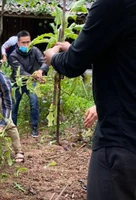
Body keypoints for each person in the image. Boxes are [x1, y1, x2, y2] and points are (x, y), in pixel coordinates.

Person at [44, 1, 136, 199]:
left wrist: (52, 57)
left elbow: (72, 64)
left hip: (120, 142)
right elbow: (124, 57)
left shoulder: (113, 5)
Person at [8, 30, 49, 137]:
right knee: (14, 105)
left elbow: (45, 62)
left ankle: (34, 128)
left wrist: (41, 71)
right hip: (17, 82)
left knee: (34, 103)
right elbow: (20, 72)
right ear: (18, 43)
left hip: (31, 83)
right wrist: (35, 76)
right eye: (23, 42)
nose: (26, 45)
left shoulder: (34, 50)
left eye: (28, 42)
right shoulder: (13, 56)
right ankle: (12, 128)